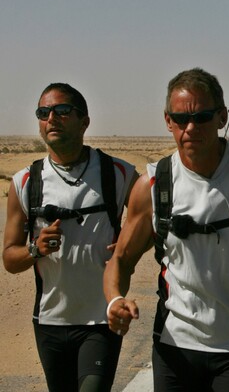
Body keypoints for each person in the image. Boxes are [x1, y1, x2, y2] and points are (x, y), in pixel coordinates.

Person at [104, 67, 229, 391]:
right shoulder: (154, 184)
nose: (190, 128)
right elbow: (121, 258)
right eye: (180, 119)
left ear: (221, 117)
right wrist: (115, 300)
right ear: (168, 120)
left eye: (201, 117)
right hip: (174, 345)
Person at [2, 83, 138, 392]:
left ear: (84, 122)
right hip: (50, 322)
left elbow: (151, 220)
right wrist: (36, 249)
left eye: (62, 111)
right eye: (43, 113)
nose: (51, 118)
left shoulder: (118, 173)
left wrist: (129, 244)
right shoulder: (26, 182)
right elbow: (9, 258)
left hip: (101, 319)